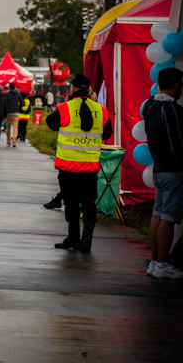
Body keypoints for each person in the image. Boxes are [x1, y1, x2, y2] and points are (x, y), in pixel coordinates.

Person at [46, 74, 112, 253]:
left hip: (68, 169)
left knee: (71, 204)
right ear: (90, 90)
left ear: (72, 89)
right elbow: (107, 134)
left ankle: (73, 238)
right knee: (89, 204)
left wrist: (67, 102)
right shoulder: (101, 110)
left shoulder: (64, 108)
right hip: (90, 169)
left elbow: (51, 124)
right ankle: (87, 240)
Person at [143, 67, 183, 279]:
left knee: (158, 215)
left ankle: (155, 262)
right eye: (181, 85)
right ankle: (161, 263)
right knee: (168, 217)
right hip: (175, 171)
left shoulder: (150, 107)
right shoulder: (171, 111)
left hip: (159, 168)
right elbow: (177, 144)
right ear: (176, 85)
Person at [3, 83, 22, 147]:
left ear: (9, 88)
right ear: (14, 87)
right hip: (16, 112)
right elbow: (22, 103)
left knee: (8, 127)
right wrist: (19, 109)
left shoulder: (6, 94)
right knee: (15, 127)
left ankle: (8, 141)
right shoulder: (18, 94)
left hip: (8, 112)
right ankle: (14, 141)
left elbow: (4, 104)